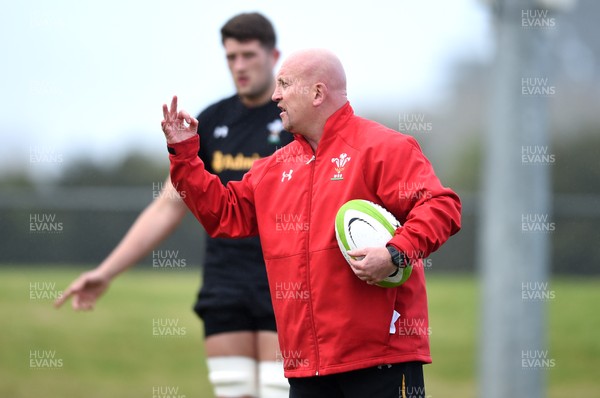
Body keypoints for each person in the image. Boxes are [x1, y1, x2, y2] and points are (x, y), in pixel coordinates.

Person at [161, 49, 462, 398]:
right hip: (306, 369)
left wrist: (395, 253)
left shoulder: (384, 148)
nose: (275, 96)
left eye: (285, 85)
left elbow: (441, 206)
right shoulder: (272, 169)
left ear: (317, 93)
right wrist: (184, 155)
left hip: (383, 360)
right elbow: (223, 214)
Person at [55, 13, 293, 398]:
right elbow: (168, 206)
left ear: (274, 55)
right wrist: (106, 272)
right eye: (231, 57)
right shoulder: (214, 119)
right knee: (234, 391)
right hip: (225, 283)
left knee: (278, 392)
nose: (239, 66)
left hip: (286, 281)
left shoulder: (292, 119)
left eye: (248, 55)